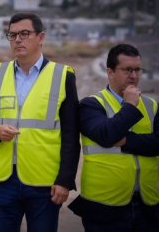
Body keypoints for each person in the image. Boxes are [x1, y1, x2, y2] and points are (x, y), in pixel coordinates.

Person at [0, 12, 80, 232]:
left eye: (24, 34)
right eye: (12, 35)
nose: (17, 40)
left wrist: (65, 180)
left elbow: (71, 134)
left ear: (41, 37)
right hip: (3, 180)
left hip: (44, 182)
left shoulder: (62, 76)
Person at [68, 44, 159, 231]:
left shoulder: (151, 106)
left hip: (147, 205)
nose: (134, 76)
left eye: (137, 70)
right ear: (110, 72)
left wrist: (127, 141)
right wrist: (130, 106)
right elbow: (106, 135)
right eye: (127, 70)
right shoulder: (91, 105)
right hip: (104, 208)